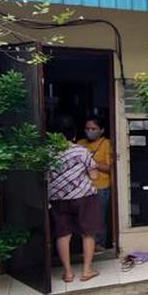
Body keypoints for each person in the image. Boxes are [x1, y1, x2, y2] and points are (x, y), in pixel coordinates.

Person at [47, 115, 101, 283]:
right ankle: (87, 270)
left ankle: (68, 273)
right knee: (88, 232)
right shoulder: (81, 151)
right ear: (74, 134)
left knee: (63, 234)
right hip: (83, 197)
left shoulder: (47, 153)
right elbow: (94, 175)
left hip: (58, 199)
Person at [80, 115, 113, 249]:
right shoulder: (80, 143)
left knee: (99, 218)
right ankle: (85, 246)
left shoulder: (107, 144)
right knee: (84, 219)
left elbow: (111, 168)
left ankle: (99, 244)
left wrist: (92, 163)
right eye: (87, 128)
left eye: (93, 129)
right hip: (82, 188)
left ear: (102, 130)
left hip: (101, 187)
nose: (90, 131)